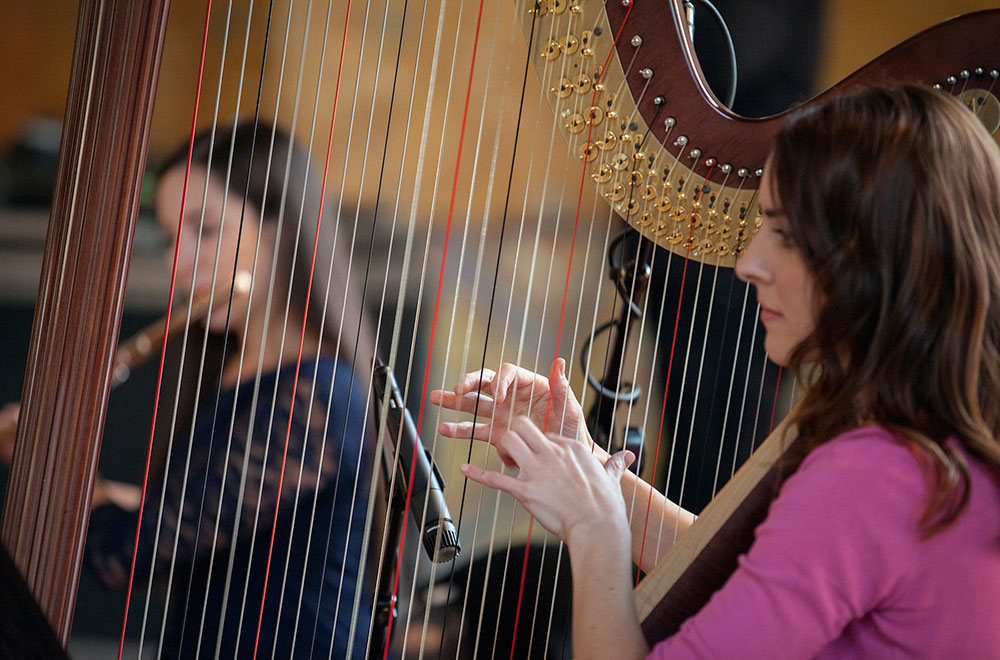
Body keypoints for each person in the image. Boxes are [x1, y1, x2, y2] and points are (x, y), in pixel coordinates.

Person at [431, 84, 1000, 658]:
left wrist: (594, 532)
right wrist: (590, 470)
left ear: (876, 260)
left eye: (786, 234)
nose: (749, 263)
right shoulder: (928, 445)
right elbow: (755, 583)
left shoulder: (872, 475)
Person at [82, 121, 376, 658]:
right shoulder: (234, 370)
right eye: (174, 238)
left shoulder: (317, 396)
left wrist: (62, 474)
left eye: (205, 229)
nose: (180, 262)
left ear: (277, 227)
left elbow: (127, 554)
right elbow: (179, 512)